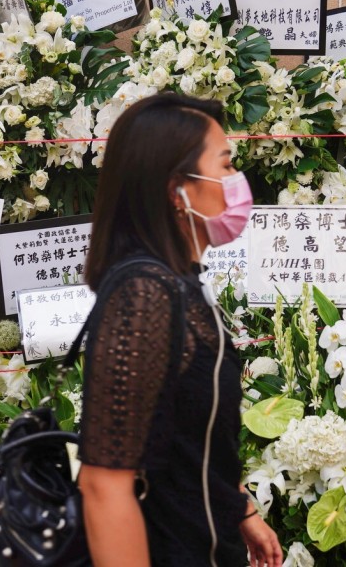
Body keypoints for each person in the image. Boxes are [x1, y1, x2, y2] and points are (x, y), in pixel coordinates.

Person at [79, 92, 282, 567]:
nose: (236, 182)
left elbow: (186, 428)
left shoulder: (178, 285)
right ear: (178, 190)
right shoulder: (144, 294)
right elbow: (105, 484)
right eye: (226, 165)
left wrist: (240, 506)